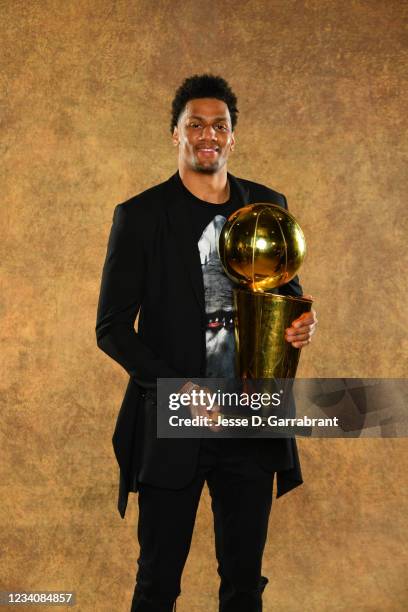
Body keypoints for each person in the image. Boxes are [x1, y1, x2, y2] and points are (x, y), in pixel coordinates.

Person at [96, 74, 318, 612]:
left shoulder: (267, 204)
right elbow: (111, 329)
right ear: (175, 133)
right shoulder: (141, 216)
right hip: (174, 422)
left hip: (249, 419)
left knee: (244, 584)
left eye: (219, 125)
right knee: (157, 585)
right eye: (194, 125)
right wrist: (179, 390)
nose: (207, 135)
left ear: (233, 137)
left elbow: (287, 291)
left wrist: (302, 322)